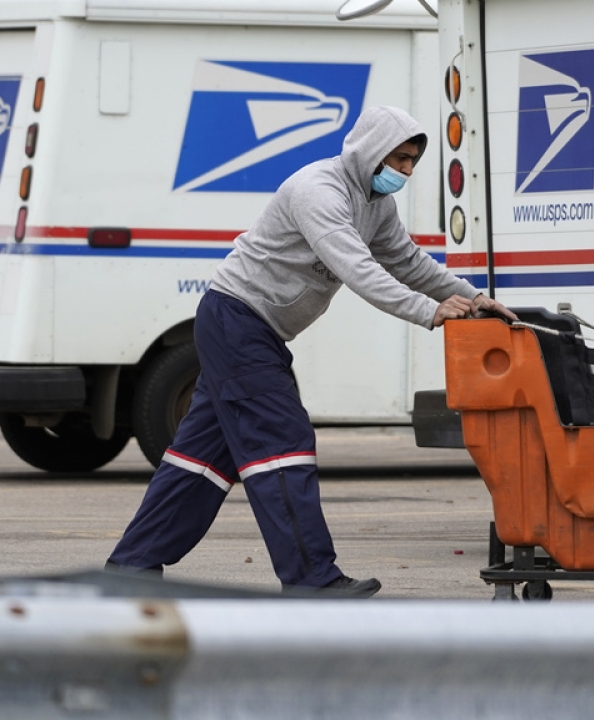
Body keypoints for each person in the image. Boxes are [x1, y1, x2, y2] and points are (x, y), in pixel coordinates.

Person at [105, 106, 515, 598]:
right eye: (399, 159)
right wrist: (428, 313)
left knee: (201, 460)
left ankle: (131, 565)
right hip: (237, 320)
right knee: (282, 442)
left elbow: (407, 261)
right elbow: (358, 268)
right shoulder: (317, 191)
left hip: (251, 328)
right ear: (369, 151)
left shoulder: (374, 203)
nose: (405, 172)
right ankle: (310, 579)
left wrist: (471, 298)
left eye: (412, 163)